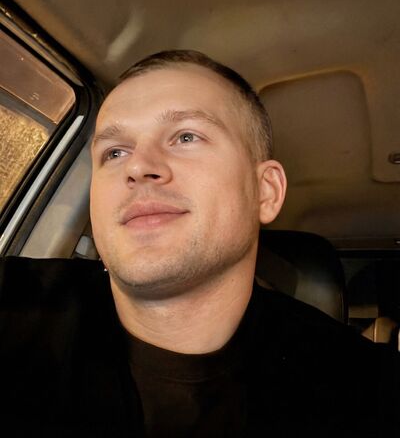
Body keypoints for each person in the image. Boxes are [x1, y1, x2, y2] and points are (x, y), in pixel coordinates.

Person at [0, 50, 398, 437]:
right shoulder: (15, 304)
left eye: (185, 136)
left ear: (266, 192)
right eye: (115, 152)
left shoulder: (364, 393)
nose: (137, 166)